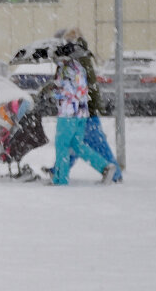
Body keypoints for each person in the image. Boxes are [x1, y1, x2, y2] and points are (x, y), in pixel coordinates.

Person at [44, 41, 118, 185]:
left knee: (62, 146)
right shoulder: (79, 68)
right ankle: (105, 167)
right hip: (81, 113)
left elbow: (67, 92)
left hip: (68, 114)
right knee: (77, 146)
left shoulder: (65, 69)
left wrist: (52, 93)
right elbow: (82, 90)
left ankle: (61, 179)